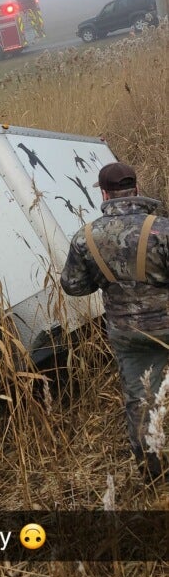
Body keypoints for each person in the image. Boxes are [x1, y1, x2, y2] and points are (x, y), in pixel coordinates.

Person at [60, 161, 169, 483]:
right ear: (135, 188)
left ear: (104, 194)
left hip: (128, 333)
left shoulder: (86, 238)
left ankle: (153, 472)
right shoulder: (163, 229)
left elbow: (74, 286)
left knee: (140, 399)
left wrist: (108, 278)